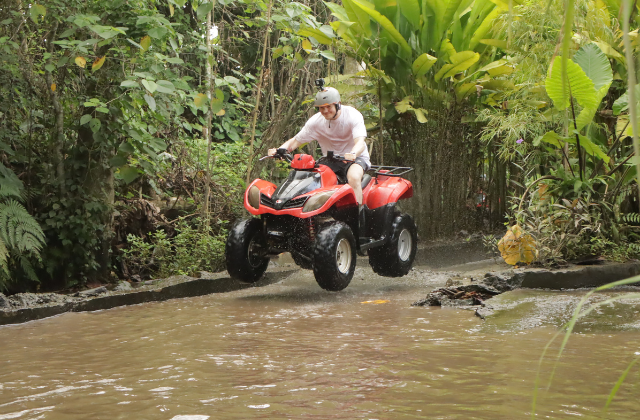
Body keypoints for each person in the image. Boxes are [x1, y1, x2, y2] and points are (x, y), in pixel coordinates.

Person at [268, 86, 370, 207]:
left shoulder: (352, 115)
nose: (325, 111)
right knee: (310, 178)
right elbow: (296, 141)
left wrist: (353, 153)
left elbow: (360, 142)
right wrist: (280, 150)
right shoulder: (316, 122)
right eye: (322, 108)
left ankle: (358, 213)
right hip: (330, 161)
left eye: (329, 107)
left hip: (355, 159)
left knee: (353, 177)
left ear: (338, 104)